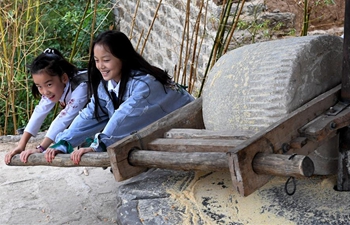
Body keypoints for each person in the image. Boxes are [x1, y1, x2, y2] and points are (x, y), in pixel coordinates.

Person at [45, 30, 194, 165]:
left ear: (122, 57)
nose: (100, 66)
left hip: (189, 127)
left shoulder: (145, 84)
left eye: (106, 60)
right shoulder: (107, 85)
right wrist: (63, 143)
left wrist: (98, 145)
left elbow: (124, 116)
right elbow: (90, 115)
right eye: (97, 60)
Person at [4, 48, 89, 164]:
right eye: (39, 86)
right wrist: (21, 145)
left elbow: (64, 118)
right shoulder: (54, 87)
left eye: (48, 84)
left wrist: (40, 148)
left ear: (64, 78)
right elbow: (39, 112)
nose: (45, 92)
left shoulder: (81, 86)